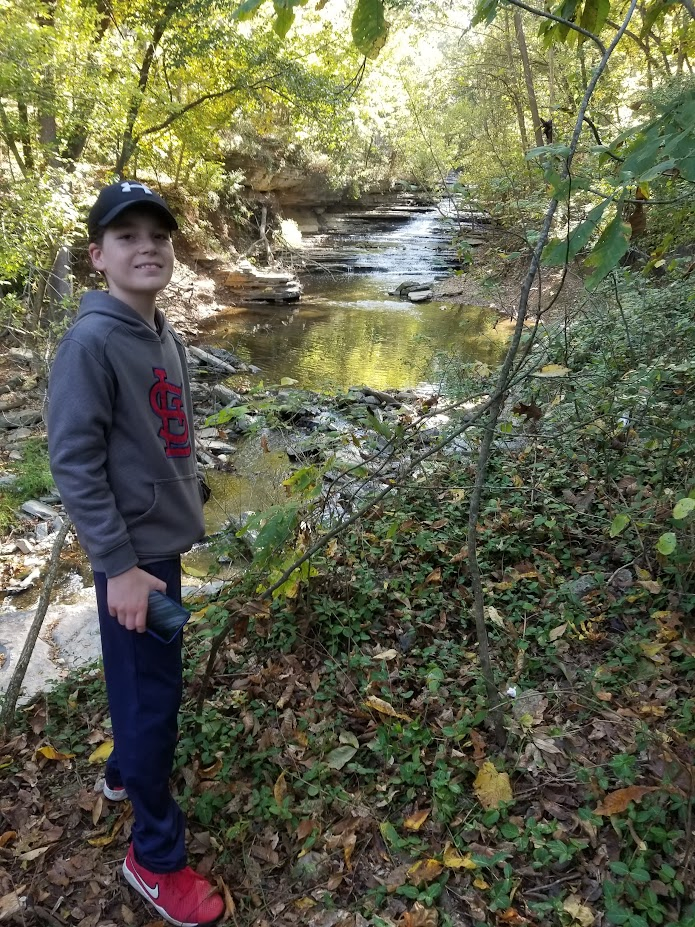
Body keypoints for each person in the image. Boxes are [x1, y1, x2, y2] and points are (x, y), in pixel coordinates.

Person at [46, 180, 224, 927]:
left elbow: (158, 440)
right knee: (152, 699)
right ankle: (154, 856)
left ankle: (123, 772)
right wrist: (118, 566)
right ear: (98, 256)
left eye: (159, 234)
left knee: (148, 677)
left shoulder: (164, 333)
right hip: (133, 563)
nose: (147, 246)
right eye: (127, 236)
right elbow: (73, 460)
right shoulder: (91, 342)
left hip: (161, 548)